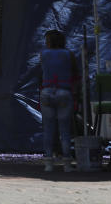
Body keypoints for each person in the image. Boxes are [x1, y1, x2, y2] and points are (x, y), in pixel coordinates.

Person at [39, 29, 79, 172]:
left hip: (47, 91)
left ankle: (48, 163)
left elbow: (41, 72)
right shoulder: (69, 55)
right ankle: (67, 163)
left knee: (49, 129)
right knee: (65, 131)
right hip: (64, 92)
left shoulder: (43, 54)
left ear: (49, 42)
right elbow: (75, 73)